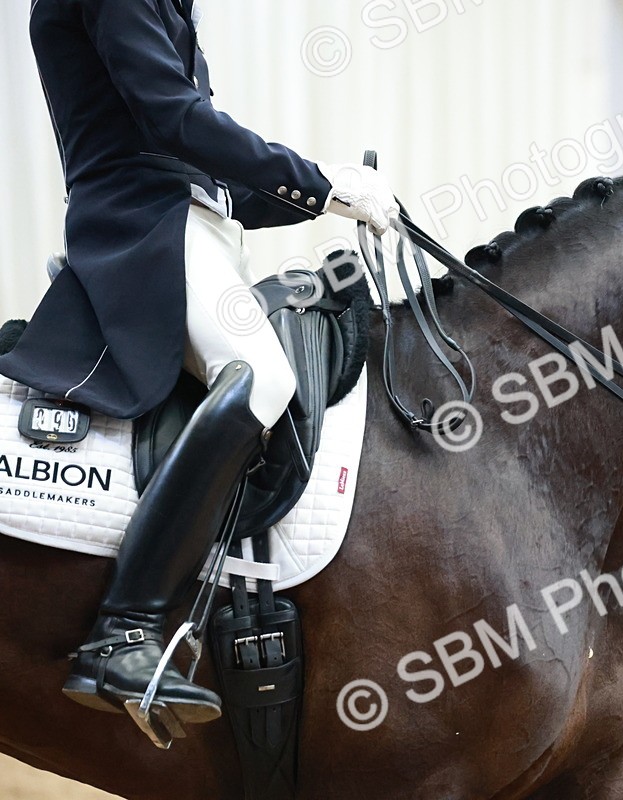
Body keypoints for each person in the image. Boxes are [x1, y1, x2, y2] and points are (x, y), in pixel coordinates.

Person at [0, 0, 399, 733]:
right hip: (146, 226)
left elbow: (214, 177)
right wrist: (319, 182)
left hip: (194, 228)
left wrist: (326, 195)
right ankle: (124, 630)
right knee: (260, 377)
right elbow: (173, 119)